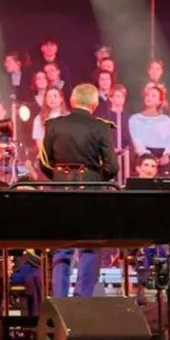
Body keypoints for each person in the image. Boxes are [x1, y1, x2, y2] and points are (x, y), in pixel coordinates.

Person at [37, 83, 118, 298]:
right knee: (89, 245)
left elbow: (44, 162)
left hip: (60, 189)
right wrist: (94, 178)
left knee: (62, 244)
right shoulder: (101, 127)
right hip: (90, 190)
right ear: (94, 104)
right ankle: (83, 300)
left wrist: (59, 177)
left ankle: (60, 300)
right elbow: (112, 167)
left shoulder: (53, 125)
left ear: (71, 101)